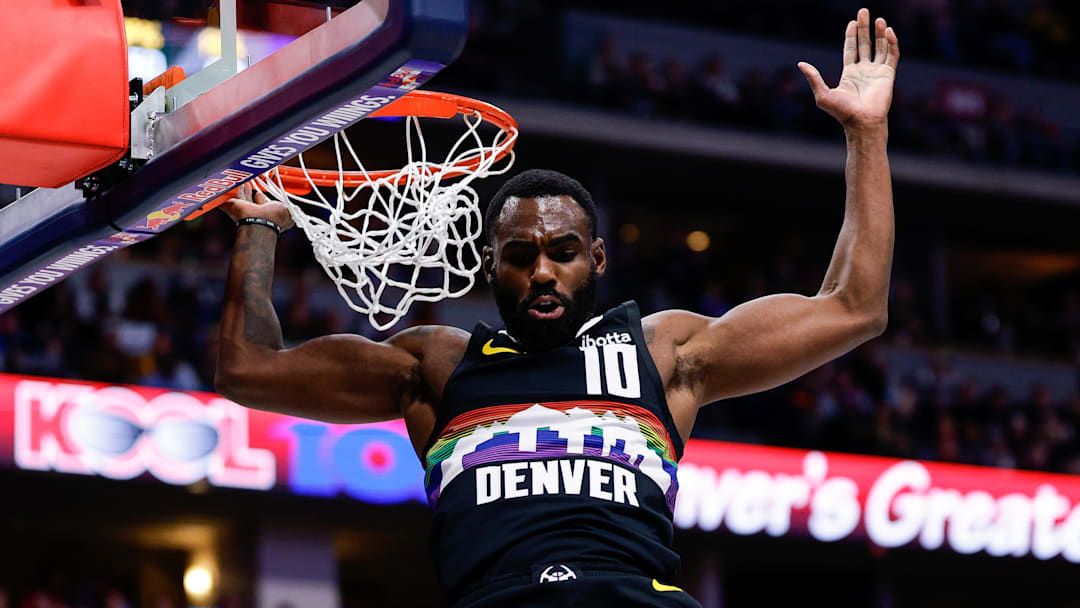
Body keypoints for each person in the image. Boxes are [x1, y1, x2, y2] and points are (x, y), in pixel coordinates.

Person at [214, 9, 899, 607]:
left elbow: (853, 308)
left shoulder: (662, 354)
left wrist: (866, 133)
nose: (542, 271)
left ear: (595, 260)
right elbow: (248, 367)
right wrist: (259, 225)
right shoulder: (438, 366)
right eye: (520, 255)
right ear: (490, 266)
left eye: (562, 252)